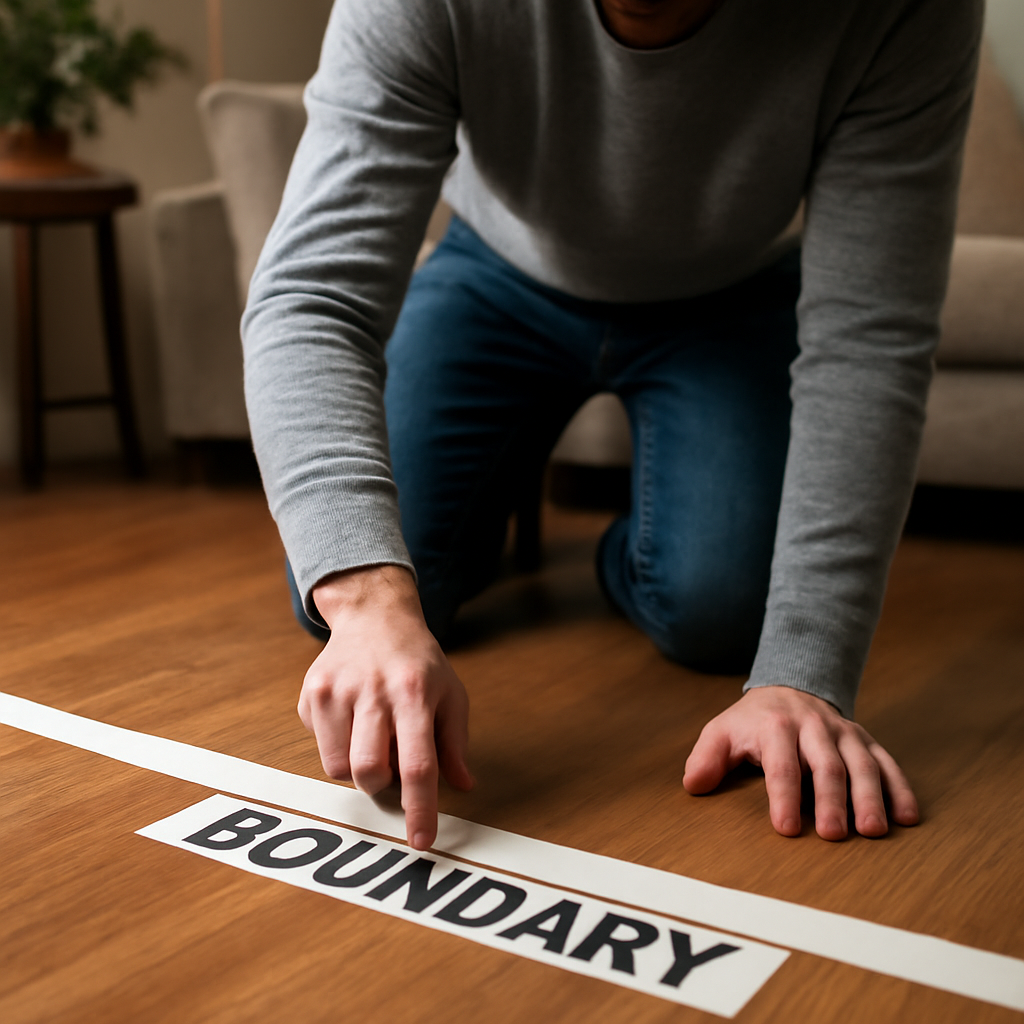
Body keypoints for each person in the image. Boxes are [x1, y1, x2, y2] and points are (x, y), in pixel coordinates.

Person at [242, 0, 983, 851]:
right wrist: (373, 601)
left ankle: (622, 558)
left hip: (729, 297)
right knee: (340, 583)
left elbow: (870, 340)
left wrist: (805, 675)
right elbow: (312, 297)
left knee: (722, 614)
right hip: (498, 269)